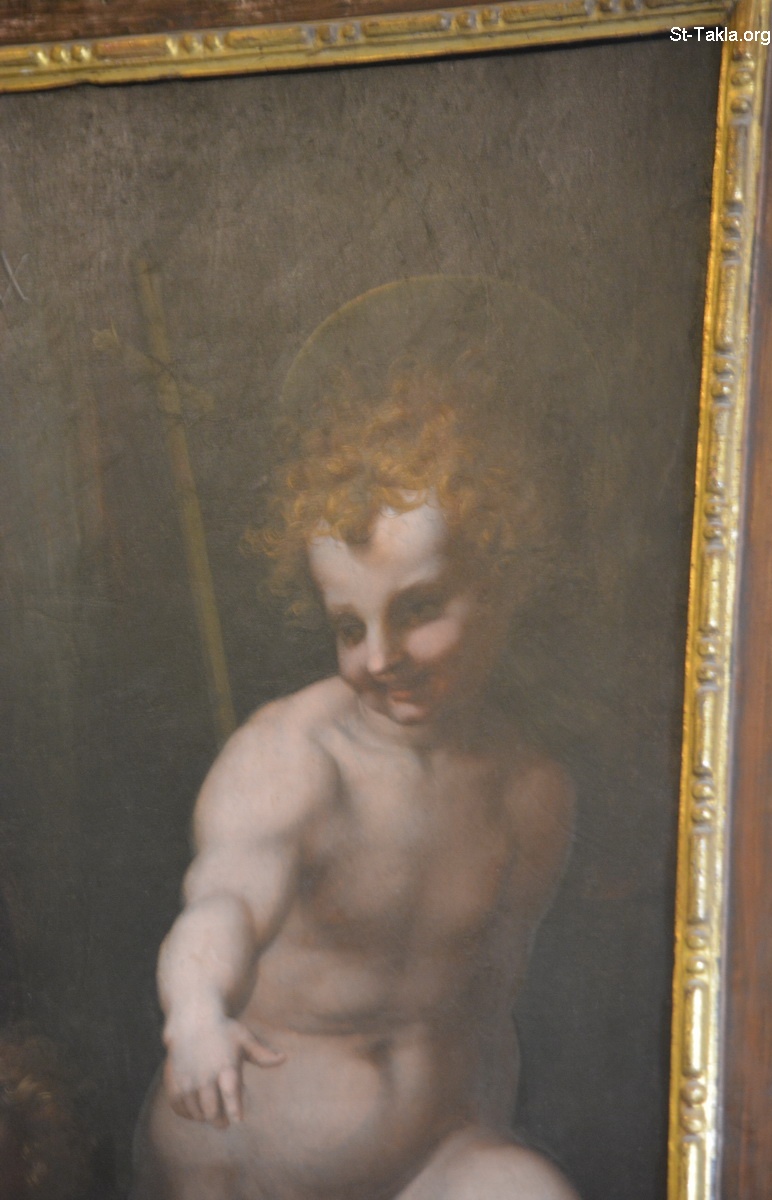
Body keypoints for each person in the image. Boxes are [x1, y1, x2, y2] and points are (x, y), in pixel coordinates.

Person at [132, 299, 581, 1200]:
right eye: (348, 625)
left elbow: (487, 1004)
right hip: (249, 1165)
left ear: (502, 581)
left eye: (417, 610)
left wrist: (469, 1125)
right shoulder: (294, 755)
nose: (379, 658)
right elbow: (222, 903)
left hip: (430, 1159)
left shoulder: (532, 791)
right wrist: (195, 1018)